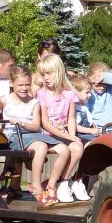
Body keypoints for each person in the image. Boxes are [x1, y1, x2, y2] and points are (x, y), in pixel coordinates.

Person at [0, 64, 67, 205]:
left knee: (64, 149)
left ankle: (51, 185)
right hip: (16, 137)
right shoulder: (5, 99)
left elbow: (36, 126)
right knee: (41, 147)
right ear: (11, 84)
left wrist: (22, 123)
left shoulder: (34, 102)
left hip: (31, 133)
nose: (24, 88)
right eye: (20, 85)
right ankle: (36, 186)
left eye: (27, 85)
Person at [36, 53, 89, 202]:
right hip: (46, 135)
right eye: (43, 74)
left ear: (58, 72)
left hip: (63, 134)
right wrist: (67, 137)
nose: (46, 78)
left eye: (49, 73)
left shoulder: (69, 94)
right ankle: (52, 184)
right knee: (68, 147)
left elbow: (71, 118)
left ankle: (63, 181)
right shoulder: (42, 94)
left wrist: (72, 136)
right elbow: (45, 123)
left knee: (78, 147)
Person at [86, 61, 112, 130]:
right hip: (96, 130)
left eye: (105, 82)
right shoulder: (87, 93)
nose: (102, 87)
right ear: (91, 79)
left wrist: (104, 76)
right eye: (99, 83)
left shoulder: (110, 92)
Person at [69, 74, 99, 142]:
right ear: (75, 93)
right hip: (79, 135)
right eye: (87, 92)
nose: (90, 95)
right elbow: (74, 126)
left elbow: (87, 117)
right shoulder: (74, 108)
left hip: (87, 134)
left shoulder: (84, 105)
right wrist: (90, 130)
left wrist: (92, 123)